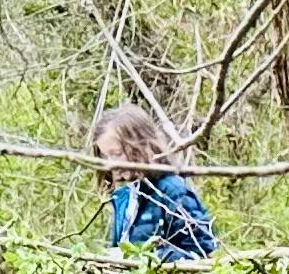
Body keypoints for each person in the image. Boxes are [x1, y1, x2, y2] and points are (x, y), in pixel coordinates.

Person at [93, 108, 218, 260]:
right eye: (106, 156)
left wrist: (143, 257)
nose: (110, 164)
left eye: (116, 154)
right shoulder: (123, 197)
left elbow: (200, 252)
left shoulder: (173, 192)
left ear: (142, 146)